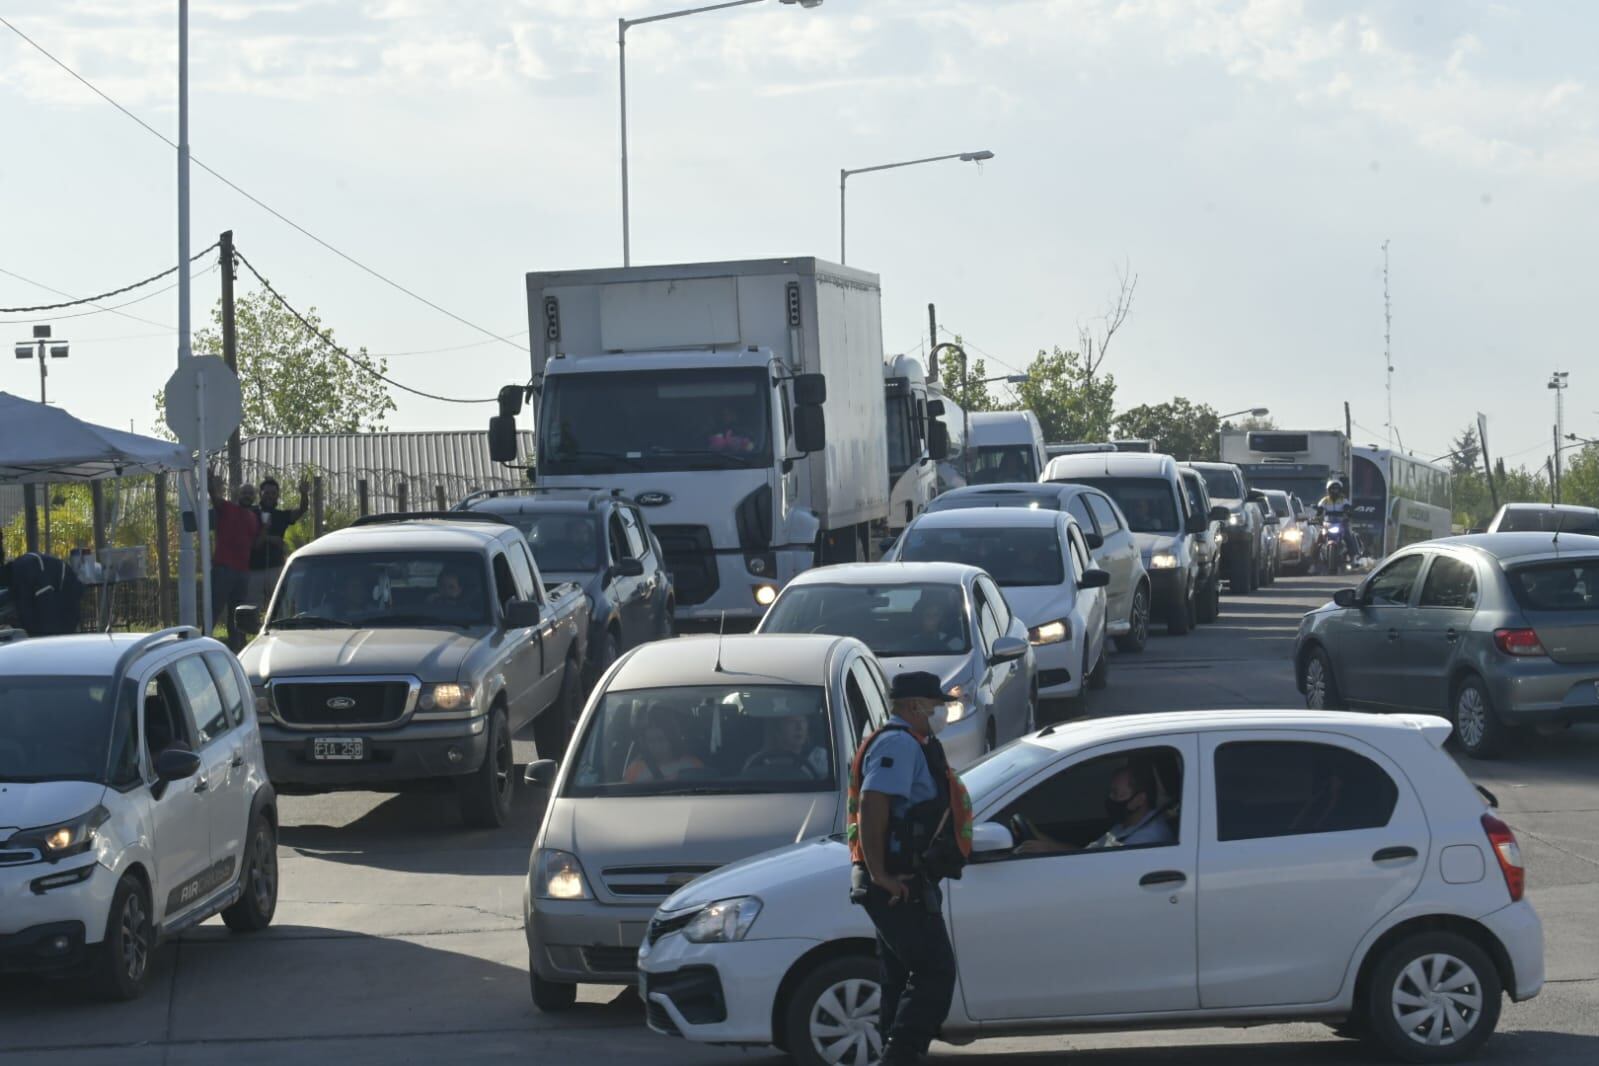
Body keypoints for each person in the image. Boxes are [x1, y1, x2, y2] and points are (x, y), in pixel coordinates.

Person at [846, 671, 969, 1066]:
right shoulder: (900, 744)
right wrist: (881, 874)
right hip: (896, 883)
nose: (942, 713)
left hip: (904, 879)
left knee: (900, 979)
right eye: (937, 706)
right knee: (935, 972)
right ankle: (899, 1058)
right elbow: (873, 804)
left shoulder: (913, 742)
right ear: (915, 706)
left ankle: (896, 1054)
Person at [1016, 763, 1175, 853]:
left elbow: (1097, 866)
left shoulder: (1147, 838)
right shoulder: (1126, 826)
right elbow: (1087, 852)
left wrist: (1048, 848)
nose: (1111, 799)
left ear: (1139, 799)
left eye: (1116, 793)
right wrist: (1042, 839)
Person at [208, 473, 263, 651]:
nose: (247, 496)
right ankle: (203, 641)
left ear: (254, 497)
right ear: (238, 495)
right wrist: (210, 482)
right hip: (224, 568)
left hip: (243, 572)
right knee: (214, 609)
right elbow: (214, 497)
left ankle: (236, 647)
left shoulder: (254, 518)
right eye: (244, 493)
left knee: (237, 613)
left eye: (250, 494)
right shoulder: (227, 508)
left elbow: (254, 544)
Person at [248, 476, 310, 609]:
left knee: (279, 605)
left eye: (273, 493)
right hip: (254, 568)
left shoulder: (280, 515)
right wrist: (271, 539)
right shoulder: (251, 513)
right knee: (253, 607)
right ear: (260, 494)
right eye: (267, 493)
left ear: (278, 495)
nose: (270, 496)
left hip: (275, 567)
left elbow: (302, 510)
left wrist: (304, 494)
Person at [743, 707, 829, 779]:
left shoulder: (820, 758)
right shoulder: (756, 762)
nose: (799, 727)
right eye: (791, 721)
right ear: (778, 730)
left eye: (802, 721)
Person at [623, 718, 704, 784]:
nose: (656, 745)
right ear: (645, 744)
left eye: (661, 739)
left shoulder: (692, 764)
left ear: (671, 740)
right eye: (651, 741)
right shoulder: (635, 769)